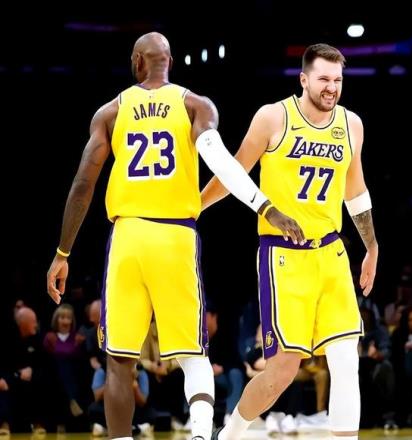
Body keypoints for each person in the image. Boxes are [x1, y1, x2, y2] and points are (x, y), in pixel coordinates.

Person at [46, 32, 304, 440]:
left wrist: (63, 252)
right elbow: (219, 159)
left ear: (137, 62)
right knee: (192, 353)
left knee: (119, 360)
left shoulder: (111, 111)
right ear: (170, 61)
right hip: (175, 235)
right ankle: (200, 434)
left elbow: (82, 185)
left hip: (129, 236)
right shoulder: (195, 105)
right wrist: (263, 205)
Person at [203, 43, 378, 440]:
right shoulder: (273, 117)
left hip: (331, 251)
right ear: (303, 79)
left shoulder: (351, 125)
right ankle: (230, 434)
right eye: (323, 79)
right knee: (282, 370)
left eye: (338, 80)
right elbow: (234, 172)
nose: (331, 87)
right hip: (284, 255)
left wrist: (371, 246)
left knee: (346, 359)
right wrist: (194, 206)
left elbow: (355, 190)